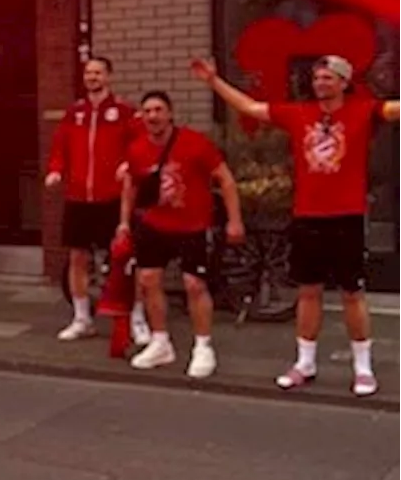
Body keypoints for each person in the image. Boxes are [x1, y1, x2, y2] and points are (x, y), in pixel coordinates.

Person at [192, 51, 401, 397]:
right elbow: (251, 108)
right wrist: (213, 81)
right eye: (317, 77)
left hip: (346, 216)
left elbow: (394, 110)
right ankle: (305, 362)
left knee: (352, 293)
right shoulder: (299, 114)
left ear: (344, 82)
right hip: (307, 216)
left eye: (328, 77)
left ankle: (362, 367)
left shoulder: (363, 109)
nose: (320, 82)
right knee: (308, 291)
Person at [117, 90, 245, 379]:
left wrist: (234, 220)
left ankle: (203, 345)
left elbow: (225, 179)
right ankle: (160, 341)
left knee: (194, 285)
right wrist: (123, 223)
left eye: (159, 110)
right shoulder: (137, 149)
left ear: (170, 114)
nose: (153, 116)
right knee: (149, 280)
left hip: (192, 225)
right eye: (147, 111)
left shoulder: (195, 143)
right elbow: (130, 188)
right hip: (154, 224)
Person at [45, 57, 141, 343]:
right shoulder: (74, 112)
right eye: (88, 73)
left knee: (122, 260)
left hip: (111, 196)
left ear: (108, 76)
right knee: (77, 257)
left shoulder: (124, 111)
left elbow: (137, 146)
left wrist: (128, 164)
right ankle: (82, 317)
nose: (92, 77)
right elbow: (60, 146)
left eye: (98, 72)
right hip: (78, 196)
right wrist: (55, 170)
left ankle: (134, 319)